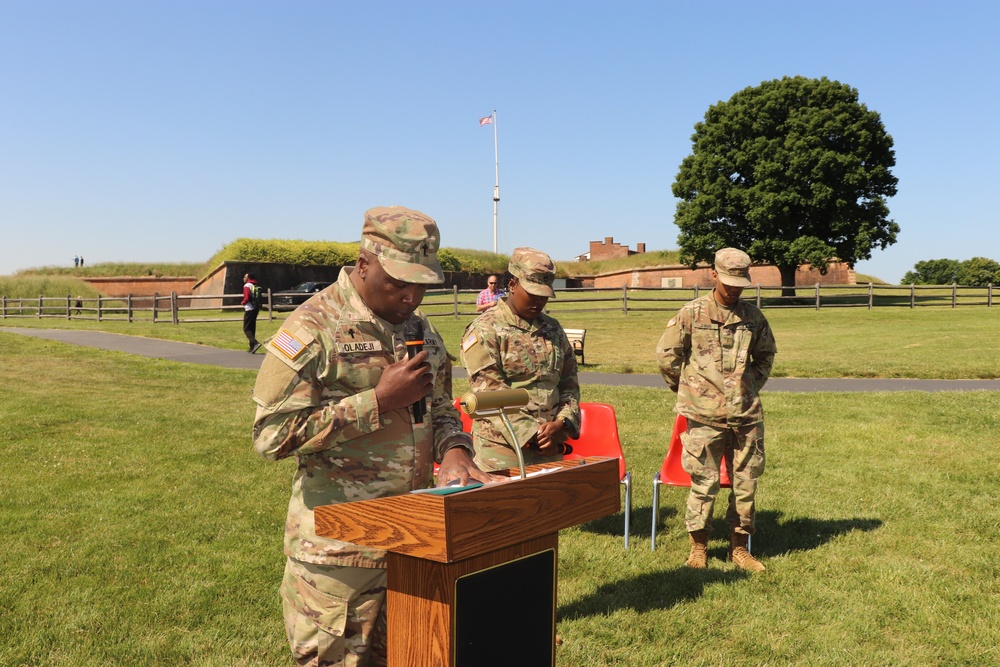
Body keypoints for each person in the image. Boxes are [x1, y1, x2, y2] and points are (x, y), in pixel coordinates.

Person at [251, 205, 493, 667]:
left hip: (414, 540)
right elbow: (271, 435)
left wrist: (457, 449)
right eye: (398, 281)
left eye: (421, 283)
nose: (411, 296)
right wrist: (377, 402)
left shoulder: (421, 330)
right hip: (339, 557)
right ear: (363, 264)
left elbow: (440, 408)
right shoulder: (311, 328)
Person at [655, 247, 777, 572]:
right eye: (727, 281)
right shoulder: (691, 313)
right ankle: (698, 547)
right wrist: (690, 391)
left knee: (746, 482)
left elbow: (765, 357)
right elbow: (668, 357)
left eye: (739, 282)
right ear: (713, 275)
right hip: (704, 415)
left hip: (746, 415)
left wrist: (747, 386)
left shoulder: (754, 318)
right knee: (704, 482)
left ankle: (740, 548)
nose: (734, 288)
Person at [460, 248, 581, 471]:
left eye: (544, 295)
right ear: (513, 284)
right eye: (532, 293)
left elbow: (569, 383)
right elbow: (490, 391)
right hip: (502, 451)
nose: (539, 301)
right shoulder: (485, 329)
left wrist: (562, 424)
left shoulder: (553, 329)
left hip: (550, 447)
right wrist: (532, 433)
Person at [241, 272, 262, 353]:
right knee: (252, 328)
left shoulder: (247, 285)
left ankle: (255, 343)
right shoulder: (255, 285)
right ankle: (252, 347)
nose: (243, 278)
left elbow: (246, 297)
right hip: (255, 308)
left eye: (245, 277)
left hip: (249, 308)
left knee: (246, 328)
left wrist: (243, 302)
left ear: (248, 278)